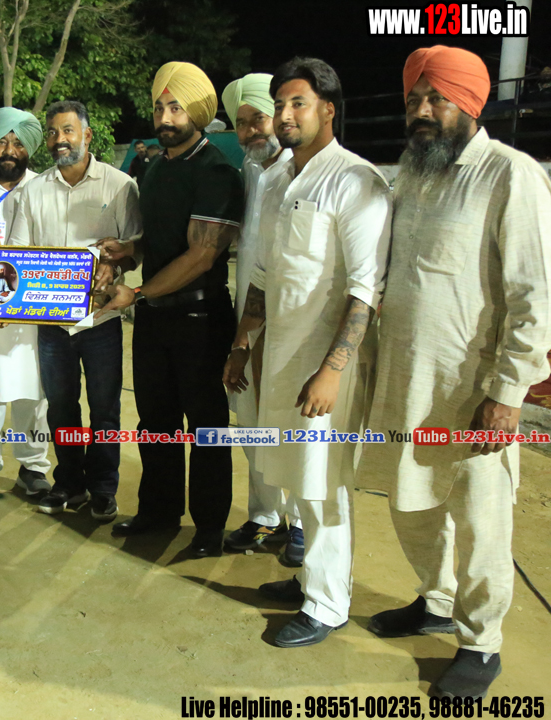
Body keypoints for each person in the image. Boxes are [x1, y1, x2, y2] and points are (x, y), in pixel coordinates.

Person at [359, 46, 551, 699]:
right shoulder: (413, 175)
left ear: (469, 103)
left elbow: (534, 295)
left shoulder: (511, 175)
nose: (421, 110)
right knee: (411, 504)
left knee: (479, 518)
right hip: (405, 379)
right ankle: (436, 600)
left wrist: (508, 393)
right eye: (414, 98)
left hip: (471, 391)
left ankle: (481, 642)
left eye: (436, 98)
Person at [223, 58, 391, 648]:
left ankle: (326, 604)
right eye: (280, 105)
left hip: (325, 368)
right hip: (281, 357)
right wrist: (242, 344)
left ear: (328, 109)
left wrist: (332, 370)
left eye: (298, 103)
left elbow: (366, 288)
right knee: (297, 474)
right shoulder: (279, 181)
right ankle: (309, 582)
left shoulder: (356, 181)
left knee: (324, 482)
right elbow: (263, 277)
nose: (286, 115)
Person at [99, 63, 243, 559]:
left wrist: (138, 293)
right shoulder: (156, 168)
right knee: (155, 421)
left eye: (176, 107)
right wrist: (129, 250)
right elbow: (161, 240)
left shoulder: (217, 171)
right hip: (156, 317)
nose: (165, 116)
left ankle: (209, 527)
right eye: (160, 107)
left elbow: (201, 254)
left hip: (200, 319)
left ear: (197, 112)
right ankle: (159, 512)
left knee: (205, 427)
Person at [7, 100, 141, 522]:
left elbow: (135, 247)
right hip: (51, 324)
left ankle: (103, 488)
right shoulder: (32, 192)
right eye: (52, 132)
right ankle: (68, 482)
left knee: (104, 409)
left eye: (67, 130)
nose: (59, 140)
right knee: (62, 408)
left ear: (87, 135)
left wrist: (116, 262)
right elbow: (17, 253)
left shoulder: (120, 186)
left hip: (101, 320)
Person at [219, 73, 303, 564]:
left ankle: (300, 523)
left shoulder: (302, 171)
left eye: (259, 119)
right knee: (250, 419)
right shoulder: (250, 171)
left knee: (289, 422)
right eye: (242, 123)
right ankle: (266, 514)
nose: (251, 131)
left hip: (293, 322)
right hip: (247, 318)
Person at [0, 107, 51, 502]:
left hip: (30, 314)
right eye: (2, 141)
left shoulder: (44, 188)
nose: (9, 150)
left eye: (18, 143)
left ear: (29, 149)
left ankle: (33, 466)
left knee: (31, 392)